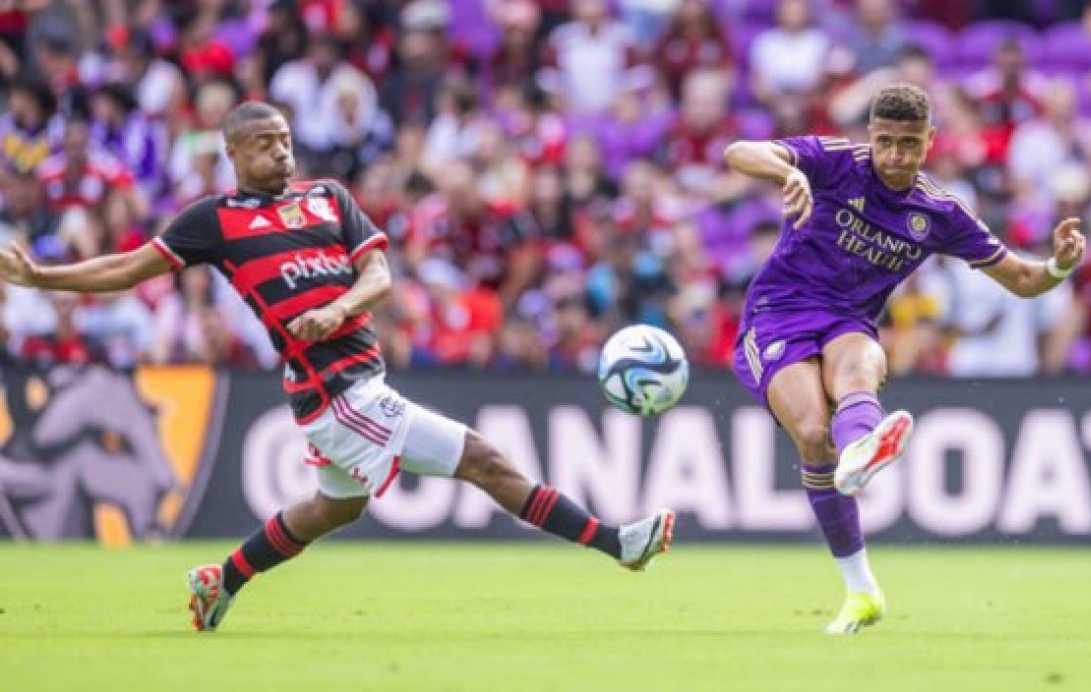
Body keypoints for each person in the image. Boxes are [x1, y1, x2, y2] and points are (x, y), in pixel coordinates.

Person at [0, 101, 674, 632]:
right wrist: (43, 278)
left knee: (334, 508)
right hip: (338, 393)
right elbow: (126, 266)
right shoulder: (215, 221)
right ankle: (619, 544)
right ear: (232, 153)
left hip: (358, 379)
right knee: (486, 461)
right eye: (263, 142)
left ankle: (222, 580)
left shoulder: (328, 198)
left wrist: (339, 307)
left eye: (285, 138)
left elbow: (378, 273)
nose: (280, 150)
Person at [722, 83, 1086, 635]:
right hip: (778, 315)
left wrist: (1058, 265)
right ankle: (861, 579)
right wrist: (787, 171)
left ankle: (861, 451)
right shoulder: (837, 163)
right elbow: (738, 151)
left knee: (861, 362)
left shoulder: (939, 212)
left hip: (850, 321)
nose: (895, 156)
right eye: (886, 142)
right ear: (871, 136)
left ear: (930, 141)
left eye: (909, 144)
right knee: (813, 433)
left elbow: (1022, 280)